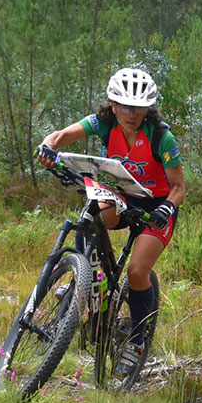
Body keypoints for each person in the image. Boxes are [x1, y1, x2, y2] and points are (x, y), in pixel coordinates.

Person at [36, 67, 186, 378]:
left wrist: (166, 210)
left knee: (136, 271)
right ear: (112, 105)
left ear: (148, 108)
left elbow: (179, 187)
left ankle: (137, 340)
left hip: (157, 206)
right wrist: (48, 146)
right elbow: (62, 136)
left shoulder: (161, 136)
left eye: (139, 107)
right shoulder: (103, 123)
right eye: (125, 106)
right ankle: (88, 280)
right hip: (122, 194)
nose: (132, 114)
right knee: (91, 214)